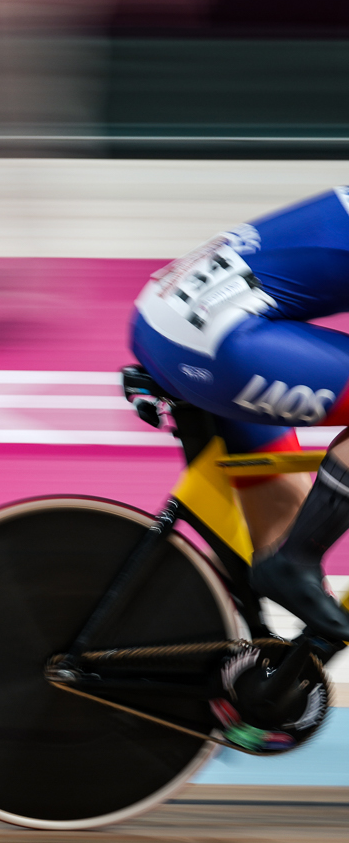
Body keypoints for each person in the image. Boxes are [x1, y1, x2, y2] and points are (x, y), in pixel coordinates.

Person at [131, 187, 349, 645]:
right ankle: (294, 562)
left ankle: (281, 676)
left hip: (172, 321)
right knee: (289, 560)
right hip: (216, 340)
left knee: (287, 533)